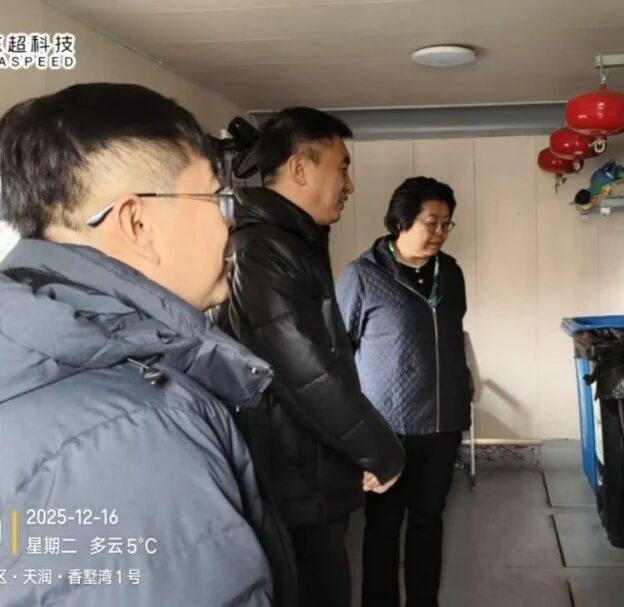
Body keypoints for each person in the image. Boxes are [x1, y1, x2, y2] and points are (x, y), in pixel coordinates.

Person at [0, 83, 295, 606]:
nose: (230, 223)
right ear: (138, 223)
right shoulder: (134, 435)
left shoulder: (28, 346)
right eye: (217, 198)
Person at [223, 107, 405, 607]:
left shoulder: (293, 241)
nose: (349, 185)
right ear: (300, 169)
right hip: (291, 474)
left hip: (308, 468)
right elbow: (305, 370)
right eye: (342, 168)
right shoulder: (264, 251)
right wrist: (380, 449)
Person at [337, 176, 473, 607]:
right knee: (382, 527)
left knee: (429, 521)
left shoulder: (451, 274)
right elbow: (339, 353)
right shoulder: (362, 276)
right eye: (431, 223)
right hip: (386, 429)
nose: (440, 233)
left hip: (443, 423)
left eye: (447, 224)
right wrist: (353, 434)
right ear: (400, 222)